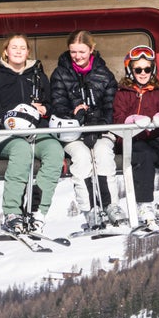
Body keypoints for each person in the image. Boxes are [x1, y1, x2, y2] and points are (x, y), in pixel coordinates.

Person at [0, 34, 64, 233]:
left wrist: (44, 109)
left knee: (54, 151)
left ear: (28, 52)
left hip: (36, 130)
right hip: (7, 135)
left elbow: (51, 105)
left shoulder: (38, 77)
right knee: (21, 150)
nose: (18, 51)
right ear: (6, 51)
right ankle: (12, 211)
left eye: (22, 48)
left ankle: (38, 209)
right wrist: (20, 111)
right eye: (14, 47)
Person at [49, 30, 127, 229]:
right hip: (73, 131)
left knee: (103, 155)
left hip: (100, 129)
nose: (77, 56)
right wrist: (73, 113)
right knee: (82, 159)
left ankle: (111, 206)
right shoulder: (61, 73)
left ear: (91, 49)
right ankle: (90, 209)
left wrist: (97, 121)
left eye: (82, 52)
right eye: (73, 52)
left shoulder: (104, 74)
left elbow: (111, 105)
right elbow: (57, 103)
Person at [112, 45, 159, 222]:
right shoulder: (123, 94)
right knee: (143, 156)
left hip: (154, 137)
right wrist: (132, 121)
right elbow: (117, 119)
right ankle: (144, 205)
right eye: (138, 69)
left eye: (147, 69)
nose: (143, 73)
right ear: (130, 71)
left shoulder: (158, 93)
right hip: (133, 139)